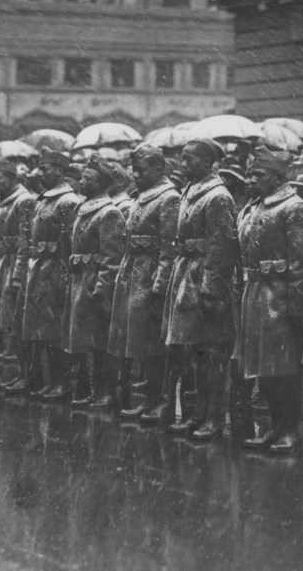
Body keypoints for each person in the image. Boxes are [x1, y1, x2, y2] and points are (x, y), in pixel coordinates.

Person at [235, 147, 303, 454]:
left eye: (258, 174)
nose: (250, 179)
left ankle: (291, 430)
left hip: (280, 297)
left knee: (285, 370)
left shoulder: (294, 208)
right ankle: (275, 426)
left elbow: (302, 261)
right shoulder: (255, 206)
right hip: (256, 293)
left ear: (279, 178)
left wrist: (297, 305)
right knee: (263, 369)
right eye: (249, 173)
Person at [161, 138, 239, 441]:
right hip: (186, 273)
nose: (183, 165)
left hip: (203, 280)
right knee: (191, 352)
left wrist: (211, 290)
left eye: (189, 159)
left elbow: (221, 247)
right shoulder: (191, 190)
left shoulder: (218, 196)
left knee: (210, 356)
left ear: (207, 163)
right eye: (182, 159)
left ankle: (213, 418)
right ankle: (194, 414)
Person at [111, 145, 181, 421]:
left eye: (141, 170)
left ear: (159, 169)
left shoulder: (168, 198)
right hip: (134, 272)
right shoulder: (142, 195)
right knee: (140, 341)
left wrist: (159, 285)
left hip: (150, 275)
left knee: (154, 345)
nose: (135, 175)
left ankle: (160, 402)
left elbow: (169, 248)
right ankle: (149, 400)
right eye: (134, 170)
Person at [64, 155, 126, 408]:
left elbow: (112, 257)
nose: (81, 182)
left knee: (100, 343)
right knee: (81, 340)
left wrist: (102, 289)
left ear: (100, 184)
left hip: (94, 284)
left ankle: (106, 392)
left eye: (87, 179)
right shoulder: (83, 208)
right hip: (79, 280)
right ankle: (88, 390)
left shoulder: (109, 213)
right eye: (82, 178)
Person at [19, 150, 80, 399]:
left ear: (61, 171)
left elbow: (72, 241)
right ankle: (48, 380)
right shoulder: (43, 199)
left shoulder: (68, 201)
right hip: (39, 269)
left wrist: (67, 276)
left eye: (46, 169)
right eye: (39, 168)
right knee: (41, 330)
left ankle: (62, 382)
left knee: (56, 330)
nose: (40, 173)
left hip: (56, 270)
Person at [0, 158, 36, 390]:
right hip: (3, 265)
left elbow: (26, 242)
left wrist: (18, 276)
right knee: (10, 324)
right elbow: (0, 243)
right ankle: (21, 374)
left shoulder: (23, 200)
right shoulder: (4, 201)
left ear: (12, 178)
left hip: (16, 266)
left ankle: (27, 375)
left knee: (20, 324)